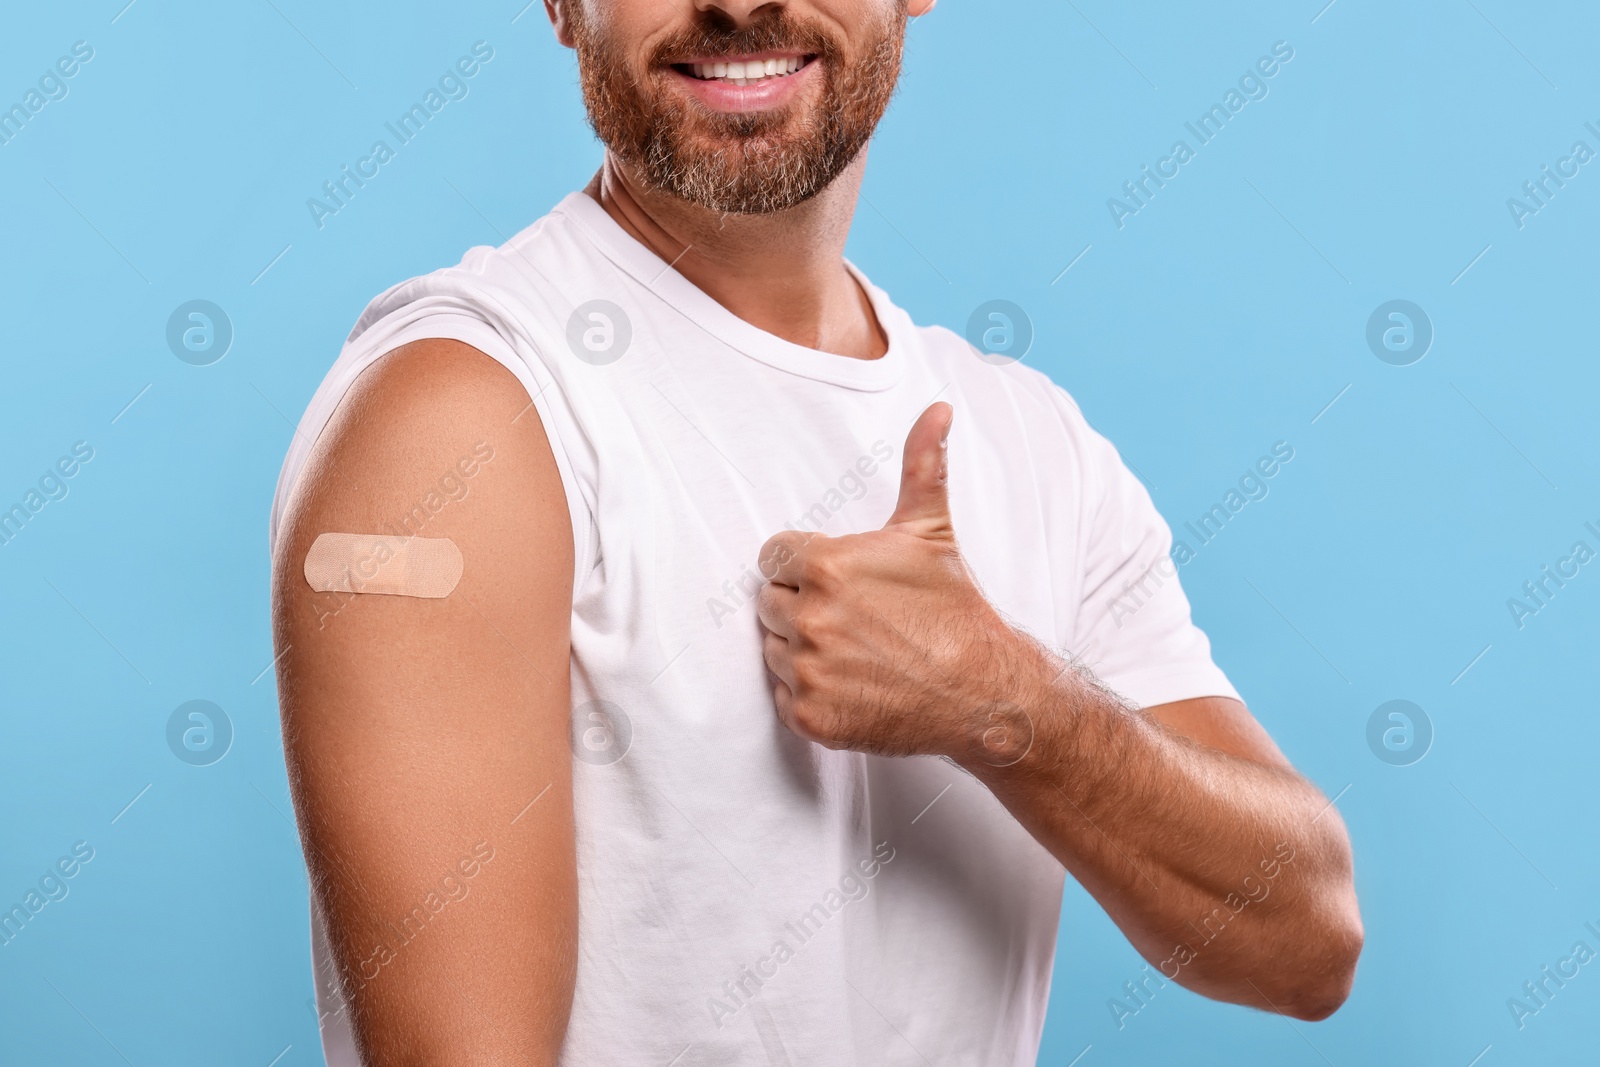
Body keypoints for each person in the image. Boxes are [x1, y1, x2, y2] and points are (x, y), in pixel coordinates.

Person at [268, 1, 1363, 1063]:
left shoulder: (1030, 439)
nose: (740, 4)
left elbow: (1306, 942)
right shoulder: (461, 418)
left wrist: (1008, 700)